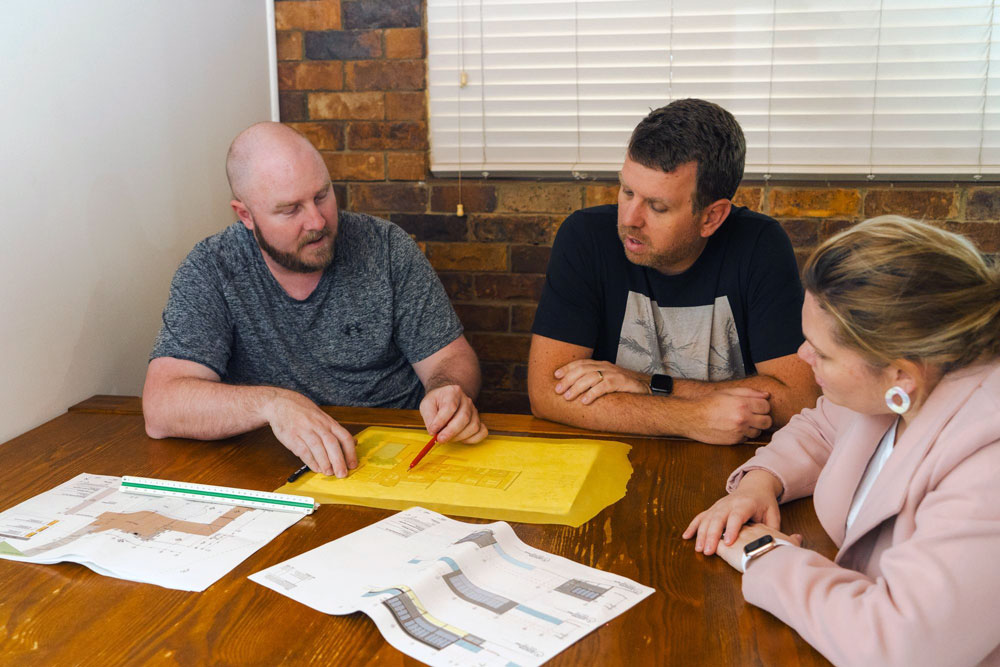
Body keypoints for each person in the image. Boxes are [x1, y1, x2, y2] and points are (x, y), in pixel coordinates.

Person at [683, 216, 1000, 665]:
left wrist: (764, 553)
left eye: (822, 352)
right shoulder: (904, 383)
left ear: (900, 374)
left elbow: (897, 645)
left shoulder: (988, 468)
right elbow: (821, 427)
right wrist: (760, 482)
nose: (801, 355)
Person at [143, 122, 487, 478]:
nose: (317, 221)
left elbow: (452, 358)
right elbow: (161, 407)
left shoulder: (385, 247)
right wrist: (272, 404)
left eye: (322, 195)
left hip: (400, 461)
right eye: (291, 209)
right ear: (245, 215)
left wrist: (448, 390)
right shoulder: (212, 267)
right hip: (273, 468)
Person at [528, 98, 819, 443]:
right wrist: (691, 417)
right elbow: (546, 394)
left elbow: (800, 399)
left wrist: (647, 385)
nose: (630, 219)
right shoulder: (586, 237)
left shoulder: (759, 245)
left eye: (657, 206)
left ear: (711, 217)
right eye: (627, 191)